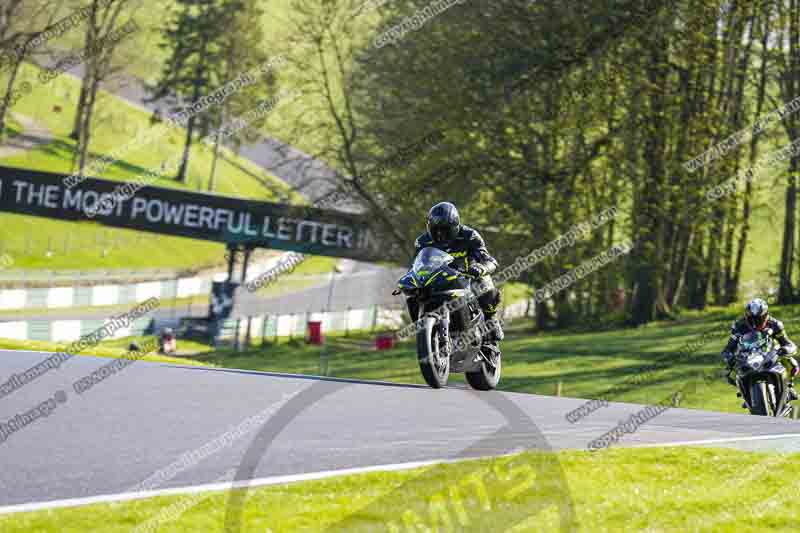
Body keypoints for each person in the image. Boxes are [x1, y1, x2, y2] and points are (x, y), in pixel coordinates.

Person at [408, 202, 503, 349]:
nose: (440, 234)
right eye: (436, 230)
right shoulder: (422, 242)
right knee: (412, 294)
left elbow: (490, 260)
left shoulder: (470, 236)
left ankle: (491, 319)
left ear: (455, 225)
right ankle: (423, 330)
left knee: (484, 282)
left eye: (444, 230)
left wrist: (481, 268)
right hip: (436, 281)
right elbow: (415, 266)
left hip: (466, 279)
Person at [721, 298, 799, 401]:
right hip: (747, 356)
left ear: (766, 315)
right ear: (746, 316)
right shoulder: (739, 326)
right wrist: (729, 357)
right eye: (751, 319)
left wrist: (784, 350)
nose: (755, 323)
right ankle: (745, 392)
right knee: (729, 372)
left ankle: (789, 387)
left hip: (769, 353)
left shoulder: (775, 324)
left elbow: (788, 344)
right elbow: (728, 348)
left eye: (759, 319)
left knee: (792, 363)